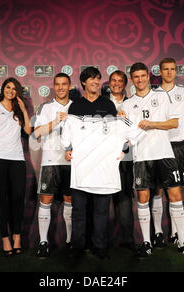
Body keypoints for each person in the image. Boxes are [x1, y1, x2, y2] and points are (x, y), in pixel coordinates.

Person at [120, 63, 184, 258]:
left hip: (165, 154)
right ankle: (147, 243)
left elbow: (174, 122)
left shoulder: (161, 96)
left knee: (175, 196)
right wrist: (121, 120)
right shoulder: (126, 104)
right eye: (136, 77)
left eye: (143, 76)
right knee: (143, 199)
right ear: (132, 79)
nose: (140, 80)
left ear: (148, 77)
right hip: (142, 157)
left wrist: (152, 124)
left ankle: (183, 242)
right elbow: (127, 136)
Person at [63, 66, 123, 260]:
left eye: (98, 79)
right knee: (79, 210)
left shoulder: (108, 105)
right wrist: (68, 149)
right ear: (83, 83)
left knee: (101, 210)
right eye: (91, 79)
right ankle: (78, 247)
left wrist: (121, 150)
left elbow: (116, 133)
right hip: (81, 167)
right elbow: (69, 134)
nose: (96, 82)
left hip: (103, 166)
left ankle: (100, 247)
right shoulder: (75, 106)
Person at [151, 58, 184, 247]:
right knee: (157, 189)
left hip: (178, 146)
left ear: (176, 72)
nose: (169, 72)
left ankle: (177, 233)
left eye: (172, 69)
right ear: (159, 72)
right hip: (158, 146)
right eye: (165, 69)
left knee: (175, 190)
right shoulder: (152, 93)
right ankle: (158, 233)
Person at [0, 77, 31, 256]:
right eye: (8, 87)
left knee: (18, 198)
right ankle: (5, 238)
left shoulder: (19, 109)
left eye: (14, 88)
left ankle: (17, 236)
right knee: (1, 199)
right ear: (3, 89)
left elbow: (28, 131)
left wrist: (24, 109)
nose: (11, 90)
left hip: (17, 159)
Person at [34, 73, 73, 258]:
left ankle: (70, 241)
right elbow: (37, 133)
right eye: (57, 84)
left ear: (70, 86)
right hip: (50, 160)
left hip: (72, 161)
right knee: (46, 200)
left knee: (70, 200)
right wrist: (56, 121)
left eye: (64, 84)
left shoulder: (77, 106)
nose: (60, 88)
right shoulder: (47, 107)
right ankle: (43, 242)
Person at [106, 70, 136, 251]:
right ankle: (100, 240)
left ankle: (127, 239)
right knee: (101, 199)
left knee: (124, 198)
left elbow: (136, 130)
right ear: (109, 83)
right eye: (113, 80)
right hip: (104, 158)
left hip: (125, 157)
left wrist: (126, 122)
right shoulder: (101, 103)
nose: (116, 83)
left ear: (125, 84)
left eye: (120, 81)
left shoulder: (131, 104)